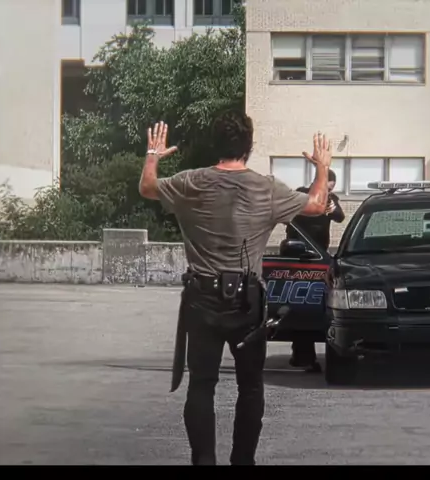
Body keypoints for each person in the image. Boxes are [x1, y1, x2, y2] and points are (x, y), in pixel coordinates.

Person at [138, 112, 332, 465]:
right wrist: (322, 166)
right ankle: (243, 461)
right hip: (247, 302)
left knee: (201, 384)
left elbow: (148, 187)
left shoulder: (189, 182)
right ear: (249, 146)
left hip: (202, 298)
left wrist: (153, 155)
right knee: (251, 386)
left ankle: (204, 461)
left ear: (215, 144)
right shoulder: (267, 188)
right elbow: (318, 204)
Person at [285, 169, 345, 372]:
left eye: (332, 188)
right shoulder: (301, 195)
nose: (329, 191)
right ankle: (302, 355)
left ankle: (304, 355)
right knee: (301, 305)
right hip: (296, 257)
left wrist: (330, 205)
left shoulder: (329, 199)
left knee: (315, 305)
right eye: (328, 186)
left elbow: (339, 216)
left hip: (319, 257)